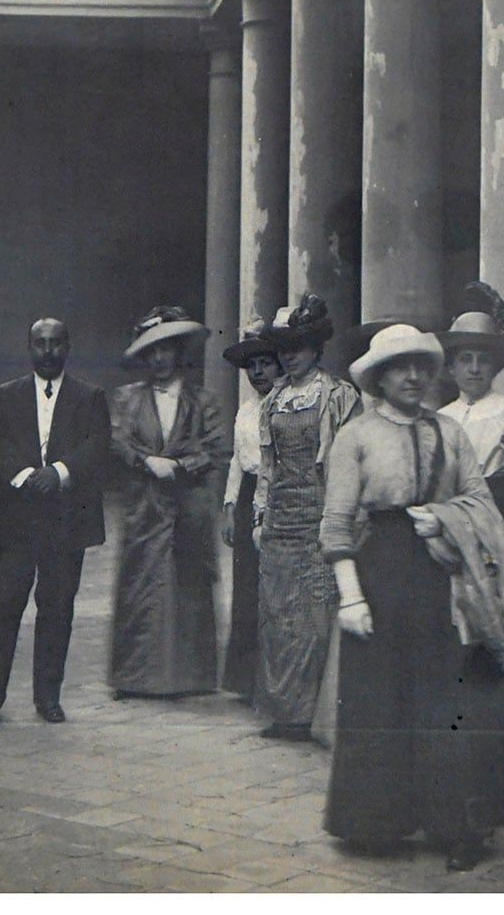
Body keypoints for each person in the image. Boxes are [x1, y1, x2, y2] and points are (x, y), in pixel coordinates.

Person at [320, 324, 504, 871]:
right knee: (378, 699)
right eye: (398, 367)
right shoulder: (356, 436)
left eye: (420, 366)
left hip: (441, 573)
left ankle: (455, 826)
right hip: (379, 570)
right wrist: (350, 597)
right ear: (379, 377)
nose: (411, 376)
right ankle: (376, 823)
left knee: (447, 702)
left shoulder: (450, 432)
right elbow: (337, 523)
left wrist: (444, 518)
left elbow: (480, 499)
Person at [0, 318, 112, 725]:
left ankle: (48, 697)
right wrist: (24, 475)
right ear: (29, 347)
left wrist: (59, 472)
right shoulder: (5, 396)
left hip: (66, 521)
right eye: (40, 343)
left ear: (67, 347)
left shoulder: (90, 397)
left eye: (55, 343)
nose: (48, 351)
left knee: (57, 610)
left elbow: (98, 444)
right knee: (2, 608)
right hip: (14, 520)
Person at [252, 295, 361, 740]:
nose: (289, 356)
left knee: (315, 618)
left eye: (298, 346)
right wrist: (260, 514)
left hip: (320, 514)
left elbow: (350, 463)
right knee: (278, 617)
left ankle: (314, 715)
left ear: (317, 347)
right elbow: (267, 464)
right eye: (283, 348)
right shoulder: (273, 401)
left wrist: (339, 517)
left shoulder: (339, 396)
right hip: (280, 519)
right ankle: (285, 713)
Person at [108, 307, 228, 697]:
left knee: (189, 585)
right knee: (139, 585)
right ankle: (134, 676)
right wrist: (146, 462)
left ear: (179, 352)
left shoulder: (203, 400)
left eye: (166, 349)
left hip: (188, 504)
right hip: (144, 505)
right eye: (151, 351)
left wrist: (179, 465)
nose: (159, 359)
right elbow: (117, 441)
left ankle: (190, 678)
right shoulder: (127, 398)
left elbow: (215, 449)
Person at [218, 318, 281, 700]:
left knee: (274, 589)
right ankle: (245, 679)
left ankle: (273, 679)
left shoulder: (288, 405)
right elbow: (237, 461)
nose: (258, 372)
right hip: (246, 499)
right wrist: (229, 508)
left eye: (266, 363)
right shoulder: (245, 410)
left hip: (278, 496)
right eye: (251, 366)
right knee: (246, 589)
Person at [435, 306, 504, 536]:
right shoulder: (440, 418)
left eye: (483, 360)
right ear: (451, 368)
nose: (474, 369)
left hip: (497, 515)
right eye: (465, 360)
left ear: (495, 367)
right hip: (451, 516)